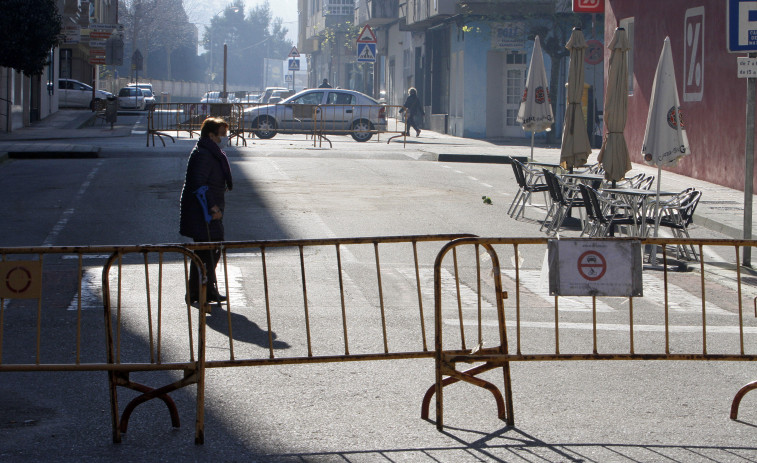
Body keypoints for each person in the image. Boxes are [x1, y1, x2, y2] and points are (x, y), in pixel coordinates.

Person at [179, 117, 233, 304]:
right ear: (211, 135)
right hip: (203, 212)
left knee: (206, 252)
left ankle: (200, 291)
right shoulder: (204, 154)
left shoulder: (210, 151)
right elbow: (198, 183)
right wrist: (213, 207)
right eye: (222, 135)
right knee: (209, 251)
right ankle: (203, 291)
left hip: (204, 211)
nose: (224, 139)